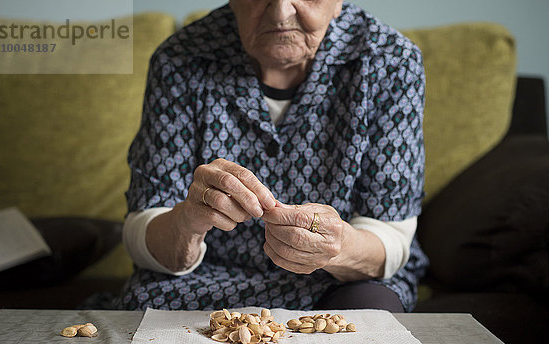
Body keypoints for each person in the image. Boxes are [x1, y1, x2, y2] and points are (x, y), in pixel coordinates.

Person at [116, 0, 428, 313]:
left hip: (339, 281)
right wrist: (185, 225)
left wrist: (339, 248)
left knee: (372, 319)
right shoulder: (181, 59)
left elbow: (390, 234)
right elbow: (142, 223)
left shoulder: (390, 62)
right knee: (141, 315)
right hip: (203, 279)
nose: (281, 13)